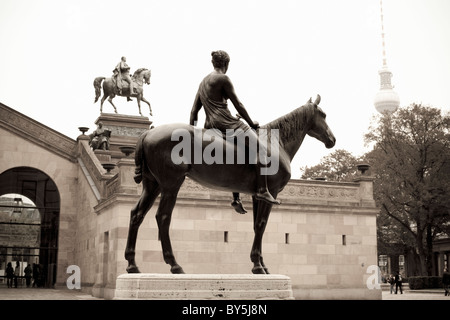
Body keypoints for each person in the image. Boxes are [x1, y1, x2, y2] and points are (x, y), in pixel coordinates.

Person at [189, 50, 280, 212]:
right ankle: (262, 190)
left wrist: (192, 131)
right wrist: (251, 123)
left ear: (213, 63)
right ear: (226, 64)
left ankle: (236, 199)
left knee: (237, 153)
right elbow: (238, 104)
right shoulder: (223, 78)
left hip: (209, 125)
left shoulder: (203, 82)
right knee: (262, 149)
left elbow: (194, 111)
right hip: (226, 123)